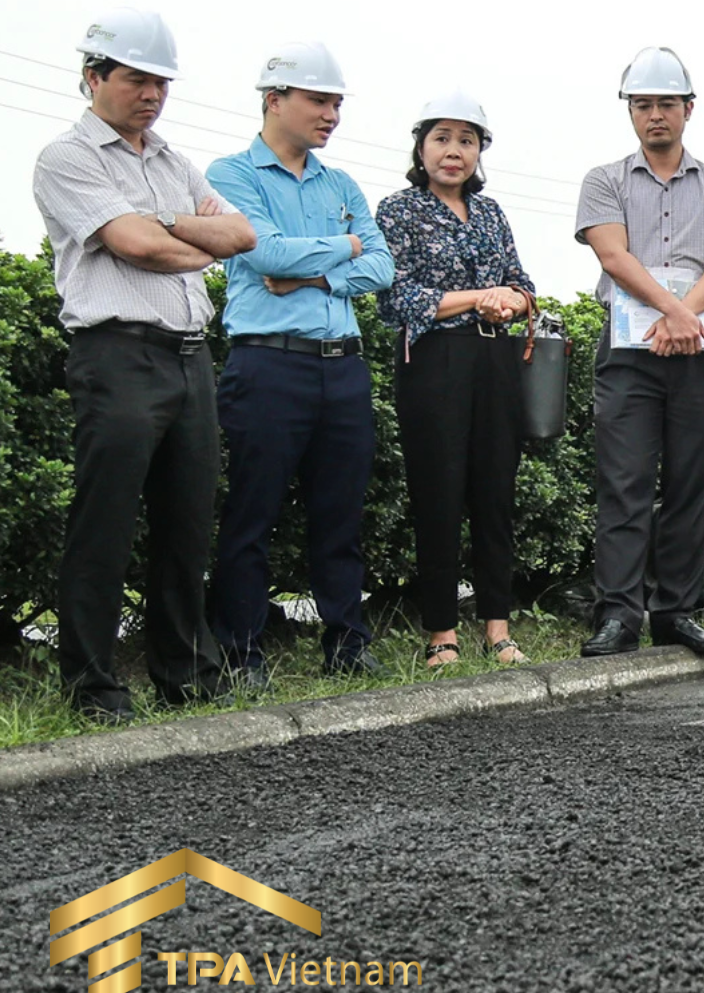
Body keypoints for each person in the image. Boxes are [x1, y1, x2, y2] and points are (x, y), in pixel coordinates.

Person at [34, 9, 255, 723]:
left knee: (186, 522)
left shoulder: (173, 162)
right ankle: (93, 687)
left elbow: (240, 233)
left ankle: (186, 674)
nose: (152, 95)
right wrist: (185, 238)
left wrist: (164, 227)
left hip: (190, 356)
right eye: (136, 79)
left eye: (161, 82)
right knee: (104, 523)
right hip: (116, 354)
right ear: (93, 76)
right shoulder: (68, 157)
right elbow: (135, 245)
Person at [206, 42, 394, 688]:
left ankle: (348, 644)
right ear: (274, 100)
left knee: (340, 516)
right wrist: (345, 245)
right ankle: (241, 653)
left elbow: (382, 266)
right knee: (251, 514)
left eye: (337, 103)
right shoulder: (232, 174)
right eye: (318, 100)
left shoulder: (340, 183)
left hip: (343, 367)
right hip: (266, 363)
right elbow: (267, 254)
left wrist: (317, 277)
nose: (331, 115)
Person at [575, 47, 704, 658]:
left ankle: (676, 610)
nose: (655, 115)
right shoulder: (604, 180)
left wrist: (685, 316)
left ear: (688, 109)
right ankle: (618, 614)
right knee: (624, 481)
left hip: (702, 353)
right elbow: (613, 255)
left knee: (691, 483)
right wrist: (674, 312)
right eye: (643, 104)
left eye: (667, 104)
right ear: (630, 110)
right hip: (630, 353)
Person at [375, 92, 536, 669]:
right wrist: (478, 296)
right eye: (441, 138)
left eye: (466, 140)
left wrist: (510, 301)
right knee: (438, 493)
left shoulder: (491, 213)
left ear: (479, 151)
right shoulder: (398, 210)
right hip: (434, 360)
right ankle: (441, 632)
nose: (454, 151)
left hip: (496, 359)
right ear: (421, 147)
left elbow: (523, 286)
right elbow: (397, 297)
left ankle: (498, 627)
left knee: (496, 493)